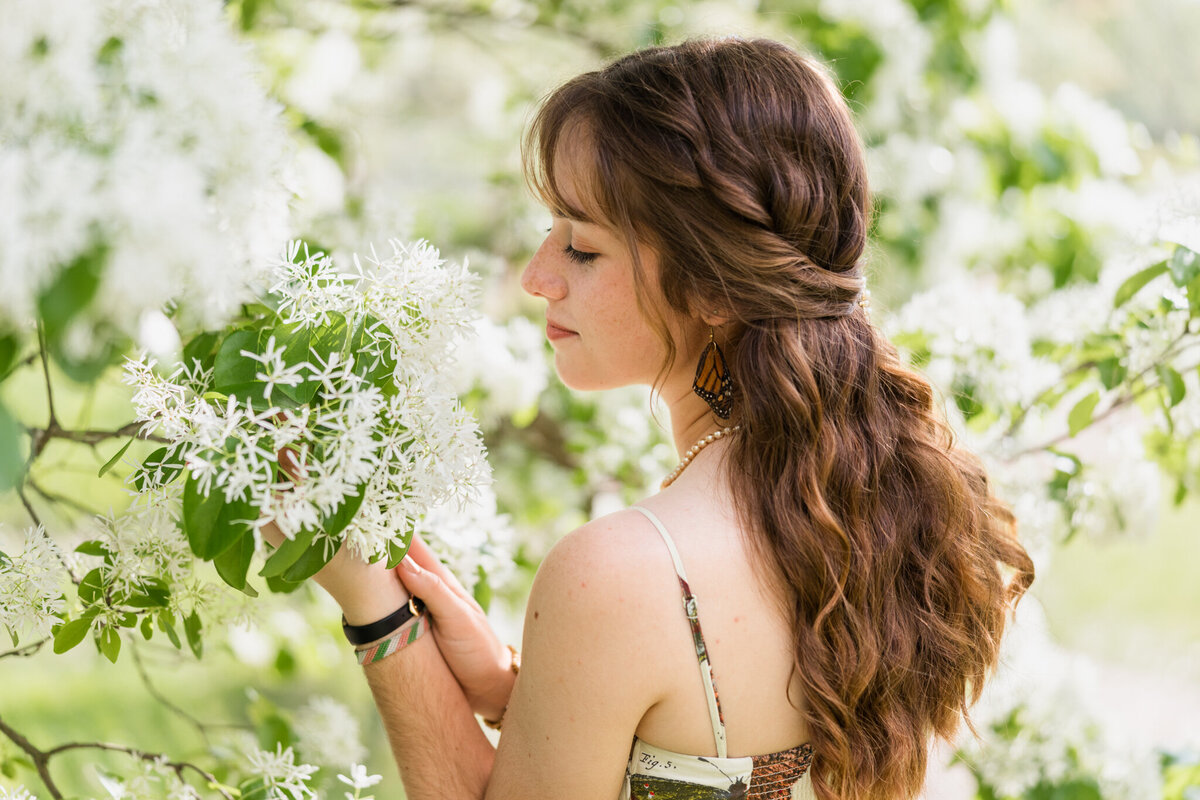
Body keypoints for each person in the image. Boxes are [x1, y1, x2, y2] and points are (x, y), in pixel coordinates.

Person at [281, 36, 1035, 800]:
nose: (540, 276)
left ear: (715, 290)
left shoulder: (629, 573)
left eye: (581, 247)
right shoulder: (892, 513)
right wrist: (523, 695)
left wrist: (374, 608)